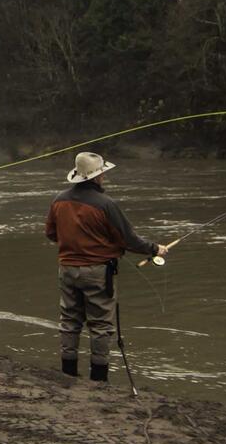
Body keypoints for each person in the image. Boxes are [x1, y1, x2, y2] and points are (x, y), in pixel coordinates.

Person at [44, 151, 167, 382]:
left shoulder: (58, 199)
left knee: (70, 321)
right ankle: (98, 380)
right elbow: (129, 240)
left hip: (67, 269)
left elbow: (51, 234)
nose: (105, 178)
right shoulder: (106, 204)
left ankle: (68, 373)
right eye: (102, 174)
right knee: (100, 325)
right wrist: (155, 249)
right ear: (96, 177)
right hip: (98, 272)